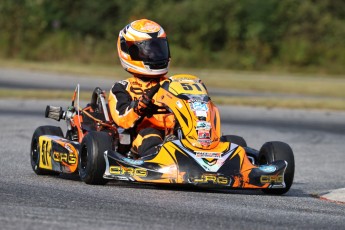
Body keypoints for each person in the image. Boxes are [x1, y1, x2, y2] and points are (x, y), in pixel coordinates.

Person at [108, 19, 174, 158]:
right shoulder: (122, 87)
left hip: (176, 133)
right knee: (151, 135)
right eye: (148, 50)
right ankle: (158, 161)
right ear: (128, 51)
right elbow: (122, 119)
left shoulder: (173, 84)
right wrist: (139, 106)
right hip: (142, 136)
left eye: (158, 49)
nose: (154, 55)